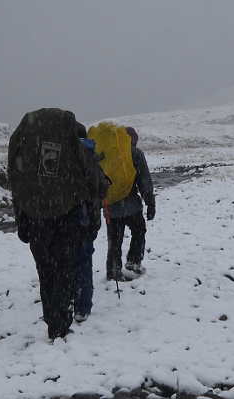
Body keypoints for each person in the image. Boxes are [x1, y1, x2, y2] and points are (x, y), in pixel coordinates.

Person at [9, 109, 108, 340]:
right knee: (64, 271)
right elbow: (97, 183)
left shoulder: (27, 150)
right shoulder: (76, 149)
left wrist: (22, 220)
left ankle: (53, 323)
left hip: (35, 220)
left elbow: (17, 185)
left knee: (46, 273)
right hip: (67, 220)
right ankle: (62, 325)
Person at [105, 126, 155, 280]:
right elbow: (144, 180)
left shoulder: (108, 154)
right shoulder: (135, 154)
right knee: (139, 231)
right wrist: (150, 202)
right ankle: (134, 261)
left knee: (114, 240)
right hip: (131, 205)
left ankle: (113, 270)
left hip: (111, 206)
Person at [73, 123, 107, 323]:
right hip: (87, 221)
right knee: (84, 262)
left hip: (63, 221)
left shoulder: (63, 157)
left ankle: (66, 300)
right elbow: (102, 188)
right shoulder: (90, 157)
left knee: (65, 262)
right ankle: (82, 307)